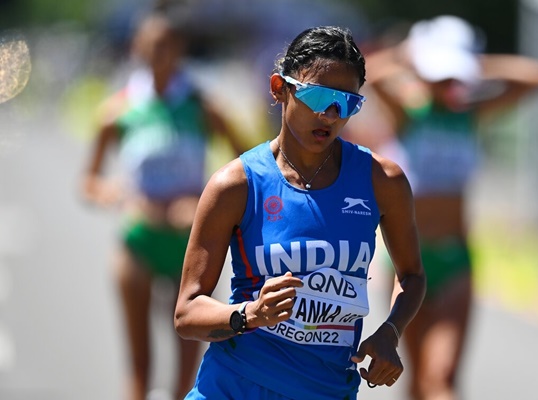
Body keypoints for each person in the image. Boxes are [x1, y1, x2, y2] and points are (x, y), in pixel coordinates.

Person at [174, 26, 426, 400]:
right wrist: (250, 314)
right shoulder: (236, 184)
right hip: (233, 385)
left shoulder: (382, 180)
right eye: (318, 96)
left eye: (346, 103)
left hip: (326, 390)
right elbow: (186, 313)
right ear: (279, 88)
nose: (330, 114)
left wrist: (391, 330)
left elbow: (412, 275)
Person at [351, 15, 538, 400]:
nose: (447, 83)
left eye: (452, 75)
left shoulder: (470, 114)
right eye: (439, 74)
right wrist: (408, 54)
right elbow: (367, 74)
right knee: (416, 380)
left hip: (455, 259)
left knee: (442, 377)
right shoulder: (408, 112)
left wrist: (475, 64)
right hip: (408, 262)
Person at [80, 10, 245, 400]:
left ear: (180, 48)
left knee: (187, 367)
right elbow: (89, 182)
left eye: (167, 45)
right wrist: (120, 196)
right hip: (139, 238)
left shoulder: (202, 105)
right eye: (151, 45)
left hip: (190, 242)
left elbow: (247, 164)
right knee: (139, 366)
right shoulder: (119, 109)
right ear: (137, 48)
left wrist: (204, 203)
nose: (159, 53)